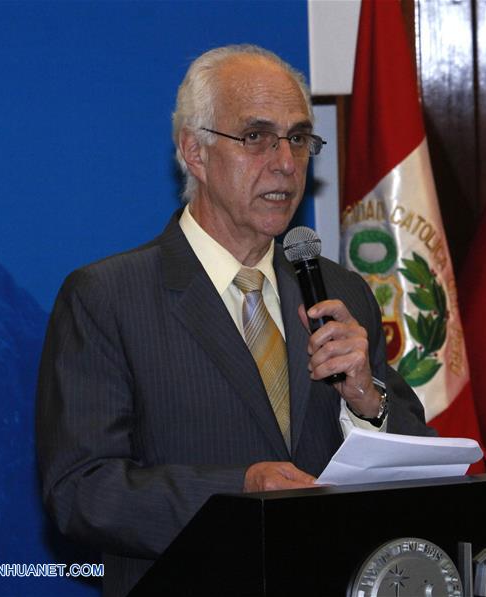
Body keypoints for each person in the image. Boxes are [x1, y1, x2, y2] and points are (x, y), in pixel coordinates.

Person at [36, 44, 433, 596]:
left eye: (297, 138)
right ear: (194, 153)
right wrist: (239, 491)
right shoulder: (107, 298)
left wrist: (370, 401)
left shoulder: (342, 292)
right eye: (256, 137)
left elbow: (422, 464)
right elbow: (81, 491)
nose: (286, 163)